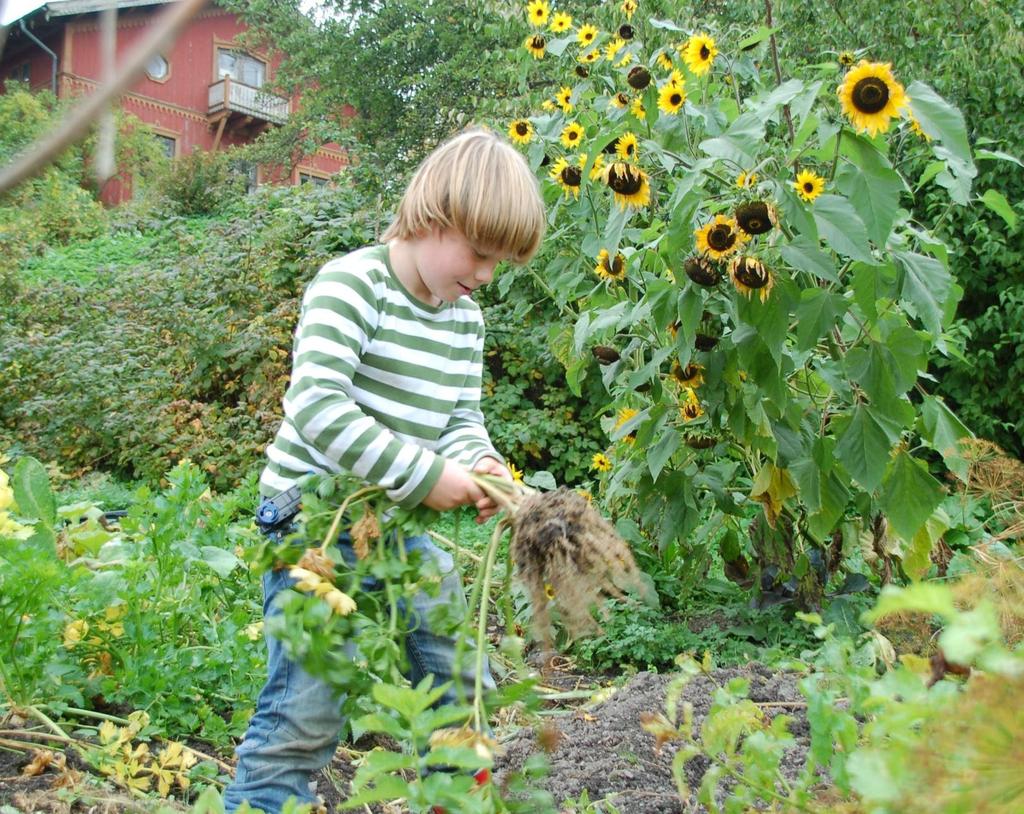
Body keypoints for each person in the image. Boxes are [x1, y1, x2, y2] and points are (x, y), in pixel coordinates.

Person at [223, 128, 546, 814]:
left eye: (501, 263)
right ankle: (263, 799)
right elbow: (315, 404)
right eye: (480, 253)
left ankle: (453, 799)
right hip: (314, 516)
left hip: (398, 520)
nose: (486, 274)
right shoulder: (353, 285)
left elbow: (458, 417)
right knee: (307, 706)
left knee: (459, 679)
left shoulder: (465, 319)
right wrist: (426, 476)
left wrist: (480, 464)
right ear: (433, 217)